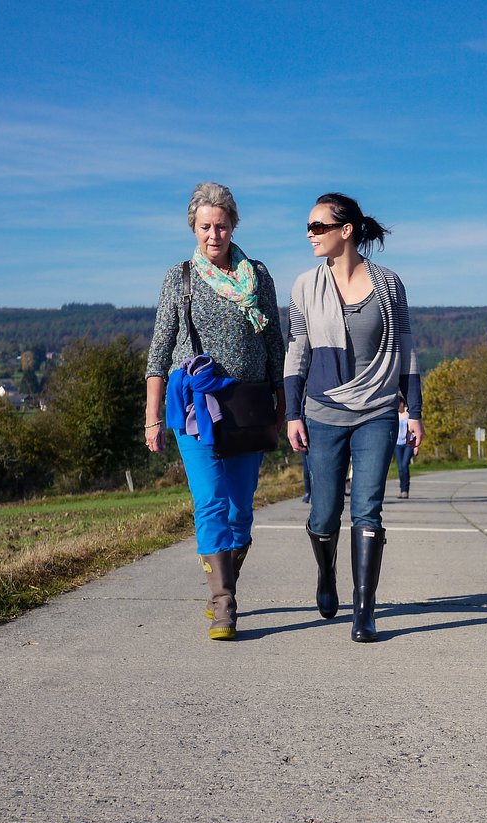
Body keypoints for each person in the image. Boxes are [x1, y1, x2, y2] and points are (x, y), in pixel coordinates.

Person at [144, 182, 286, 641]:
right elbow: (160, 351)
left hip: (248, 407)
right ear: (194, 227)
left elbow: (274, 345)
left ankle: (223, 581)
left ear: (233, 226)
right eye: (205, 226)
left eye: (221, 225)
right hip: (194, 409)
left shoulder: (258, 276)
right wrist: (151, 417)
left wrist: (285, 407)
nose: (214, 234)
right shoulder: (179, 277)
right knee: (209, 503)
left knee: (239, 511)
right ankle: (224, 605)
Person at [284, 192, 423, 642]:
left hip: (378, 410)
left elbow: (405, 348)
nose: (310, 234)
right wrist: (292, 413)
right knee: (324, 515)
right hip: (323, 411)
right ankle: (327, 576)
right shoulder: (305, 285)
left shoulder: (389, 285)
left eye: (318, 227)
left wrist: (414, 411)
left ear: (346, 231)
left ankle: (365, 610)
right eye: (308, 227)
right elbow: (297, 351)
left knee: (367, 508)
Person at [394, 397, 413, 499]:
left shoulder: (408, 414)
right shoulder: (395, 415)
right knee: (400, 467)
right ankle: (402, 489)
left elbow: (413, 430)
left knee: (404, 465)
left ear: (402, 403)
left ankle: (405, 490)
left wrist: (416, 446)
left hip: (408, 444)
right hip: (397, 444)